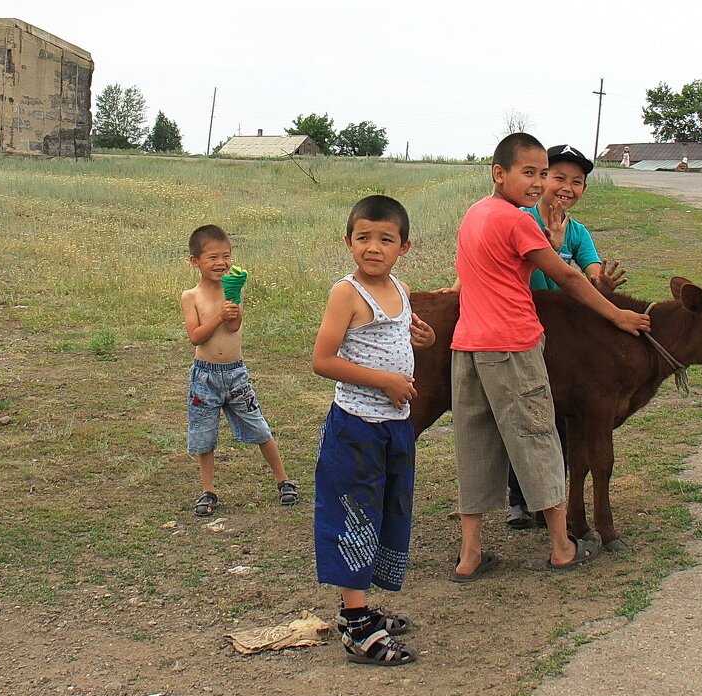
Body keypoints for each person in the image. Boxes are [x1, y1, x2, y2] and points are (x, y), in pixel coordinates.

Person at [449, 133, 649, 582]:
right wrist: (618, 314)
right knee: (538, 438)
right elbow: (567, 276)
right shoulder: (519, 222)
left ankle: (470, 555)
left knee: (476, 446)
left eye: (543, 174)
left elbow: (467, 271)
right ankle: (562, 547)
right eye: (530, 173)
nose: (538, 183)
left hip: (467, 345)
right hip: (513, 346)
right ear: (499, 174)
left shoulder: (474, 214)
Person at [312, 195, 436, 666]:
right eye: (363, 237)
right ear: (348, 242)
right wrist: (385, 381)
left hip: (396, 427)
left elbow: (396, 339)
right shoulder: (346, 293)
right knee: (354, 517)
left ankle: (363, 607)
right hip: (356, 429)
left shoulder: (401, 289)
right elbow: (323, 360)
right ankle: (357, 627)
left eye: (385, 239)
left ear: (404, 246)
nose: (373, 247)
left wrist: (419, 339)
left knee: (387, 512)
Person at [507, 143, 626, 529]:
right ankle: (520, 499)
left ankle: (550, 498)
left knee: (556, 415)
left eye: (577, 182)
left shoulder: (577, 231)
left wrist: (601, 282)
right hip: (520, 327)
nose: (567, 187)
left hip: (562, 340)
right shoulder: (519, 218)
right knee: (520, 412)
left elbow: (590, 270)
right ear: (541, 180)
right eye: (558, 177)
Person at [181, 224, 297, 517]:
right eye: (213, 258)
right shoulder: (191, 296)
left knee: (258, 426)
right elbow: (196, 337)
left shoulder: (232, 288)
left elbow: (234, 327)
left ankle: (283, 481)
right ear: (195, 261)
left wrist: (232, 308)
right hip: (204, 376)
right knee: (203, 434)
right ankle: (208, 490)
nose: (221, 263)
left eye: (226, 256)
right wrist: (219, 316)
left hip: (235, 373)